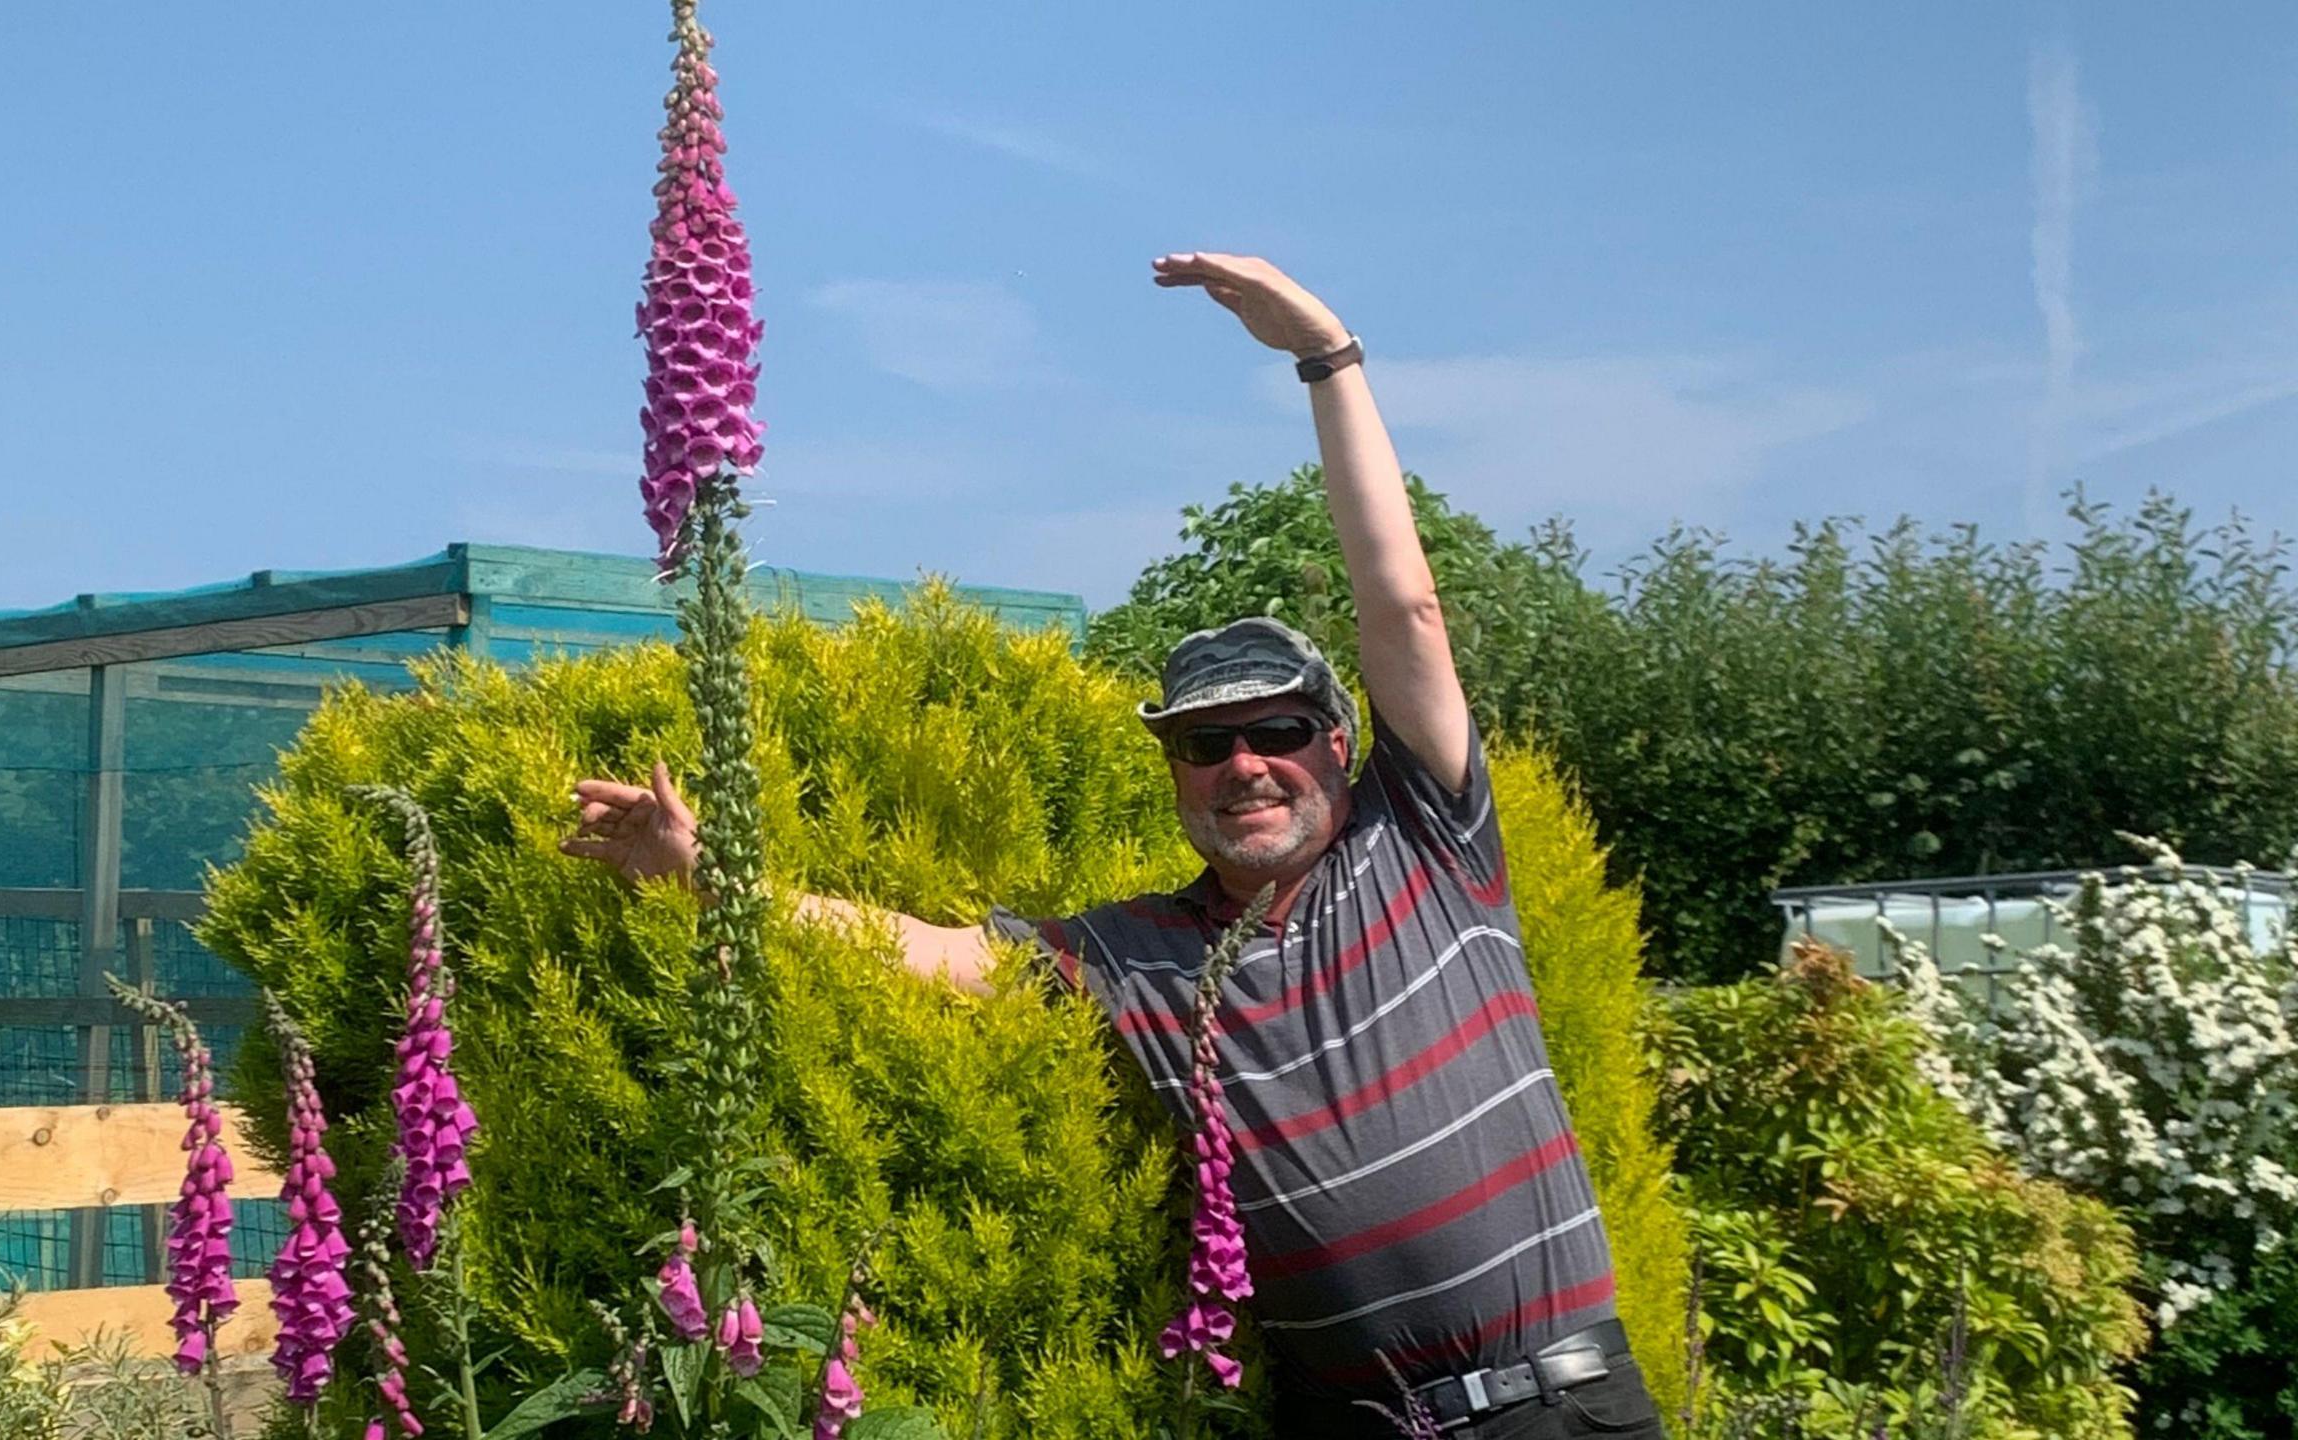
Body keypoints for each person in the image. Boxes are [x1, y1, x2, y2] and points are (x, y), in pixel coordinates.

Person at [567, 253, 1667, 1439]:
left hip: (1563, 1406)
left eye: (1277, 729)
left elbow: (1404, 609)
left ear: (1341, 743)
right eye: (1203, 743)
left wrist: (1328, 360)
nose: (1243, 761)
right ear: (1175, 773)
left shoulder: (1429, 846)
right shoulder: (1139, 957)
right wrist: (711, 877)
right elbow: (936, 957)